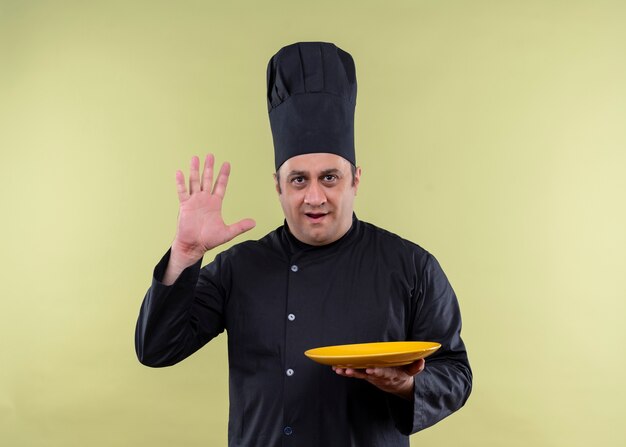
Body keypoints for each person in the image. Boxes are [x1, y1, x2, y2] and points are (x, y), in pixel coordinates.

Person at [135, 41, 472, 447]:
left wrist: (403, 385)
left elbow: (455, 371)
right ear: (277, 185)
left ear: (356, 180)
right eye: (298, 179)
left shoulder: (411, 266)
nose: (314, 197)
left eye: (329, 177)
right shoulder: (239, 267)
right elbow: (156, 349)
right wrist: (186, 255)